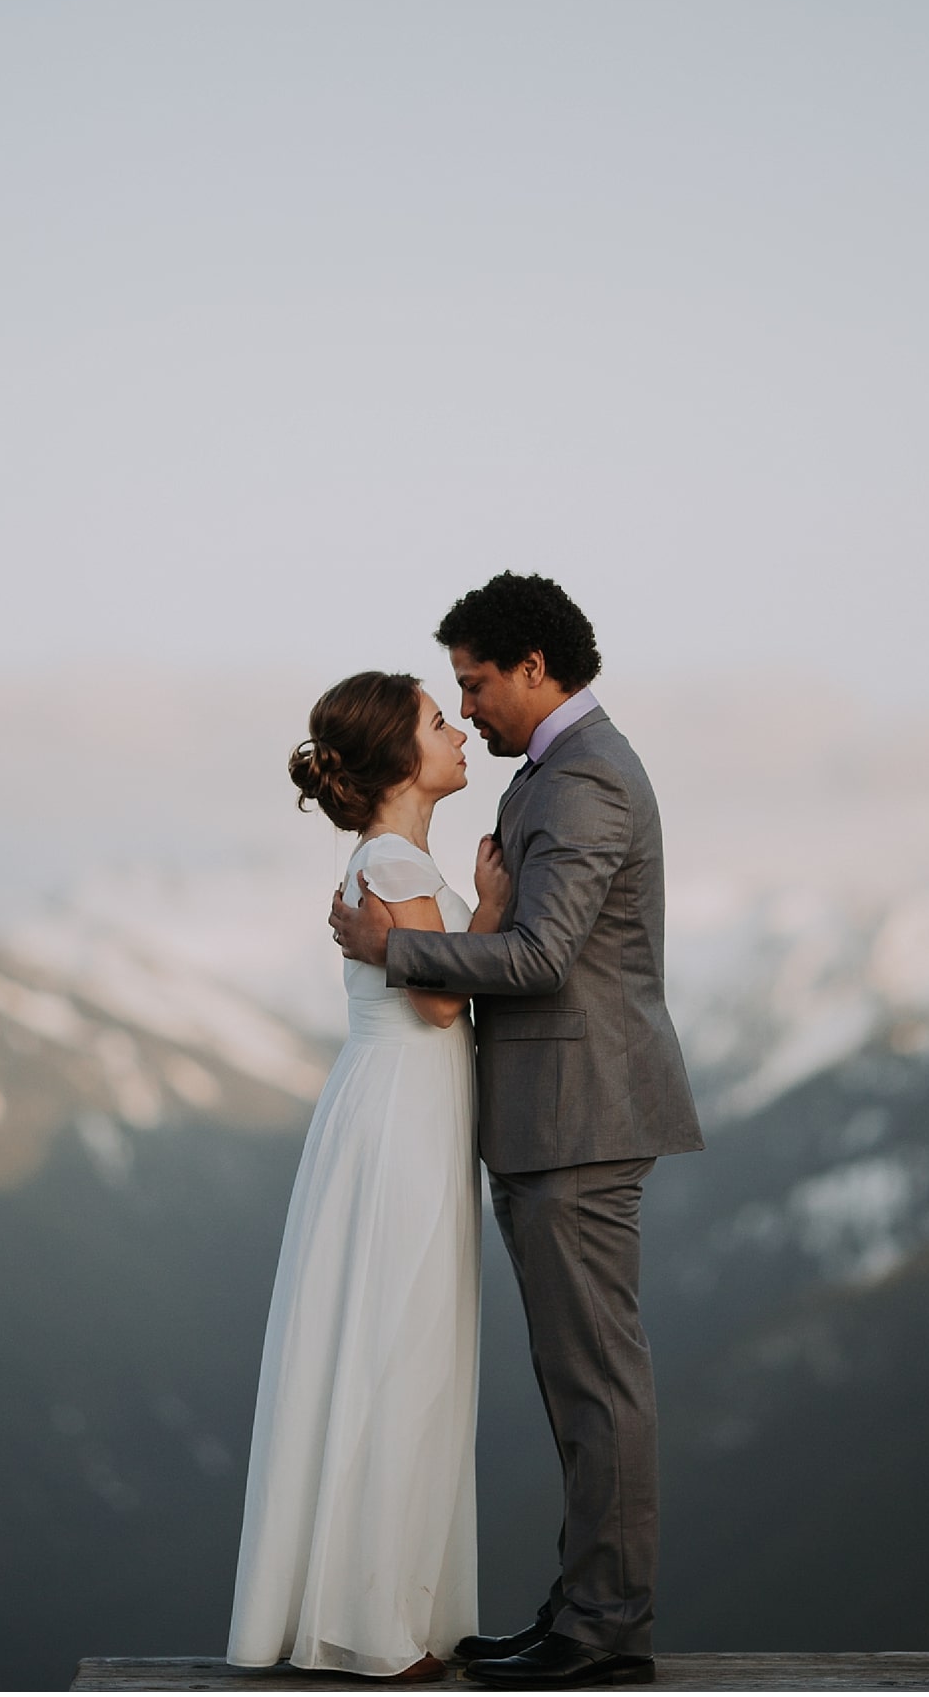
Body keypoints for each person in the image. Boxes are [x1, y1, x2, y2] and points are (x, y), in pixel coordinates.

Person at [332, 574, 704, 1693]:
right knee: (577, 1381)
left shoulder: (585, 778)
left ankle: (603, 1626)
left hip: (580, 1121)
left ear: (535, 666)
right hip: (553, 1119)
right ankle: (585, 1605)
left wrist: (392, 948)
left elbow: (542, 957)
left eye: (476, 681)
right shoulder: (562, 770)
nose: (470, 704)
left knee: (596, 1383)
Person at [227, 669, 511, 1682]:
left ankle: (372, 1605)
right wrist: (486, 908)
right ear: (402, 758)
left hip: (400, 1107)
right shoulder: (393, 855)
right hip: (401, 1114)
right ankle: (371, 1625)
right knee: (399, 1341)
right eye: (441, 721)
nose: (459, 730)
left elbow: (426, 981)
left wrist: (452, 920)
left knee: (392, 1337)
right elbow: (439, 1002)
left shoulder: (393, 856)